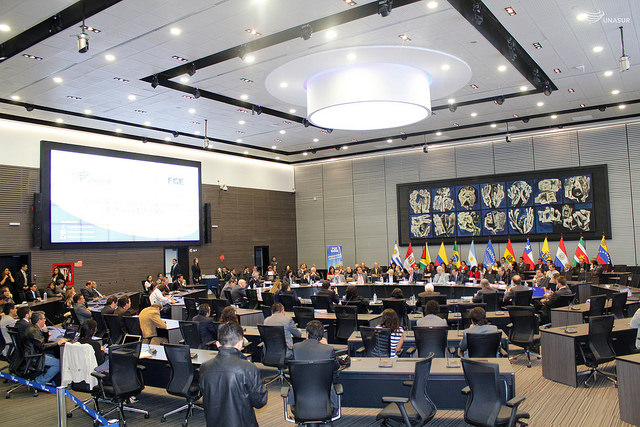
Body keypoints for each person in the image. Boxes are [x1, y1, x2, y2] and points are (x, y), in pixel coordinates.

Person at [199, 322, 267, 427]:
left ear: (217, 344)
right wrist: (258, 379)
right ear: (240, 343)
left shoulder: (204, 367)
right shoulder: (248, 368)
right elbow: (260, 402)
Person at [290, 320, 340, 411]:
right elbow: (336, 367)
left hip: (299, 400)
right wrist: (326, 346)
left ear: (307, 334)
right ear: (322, 336)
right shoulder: (328, 349)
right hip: (324, 400)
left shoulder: (296, 347)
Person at [22, 311, 68, 384]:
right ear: (39, 320)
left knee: (53, 356)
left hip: (33, 353)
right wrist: (57, 343)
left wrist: (45, 330)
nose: (45, 320)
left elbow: (43, 342)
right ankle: (39, 381)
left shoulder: (32, 328)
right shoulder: (34, 331)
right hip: (35, 357)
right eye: (44, 319)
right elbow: (43, 346)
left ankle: (48, 377)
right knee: (59, 364)